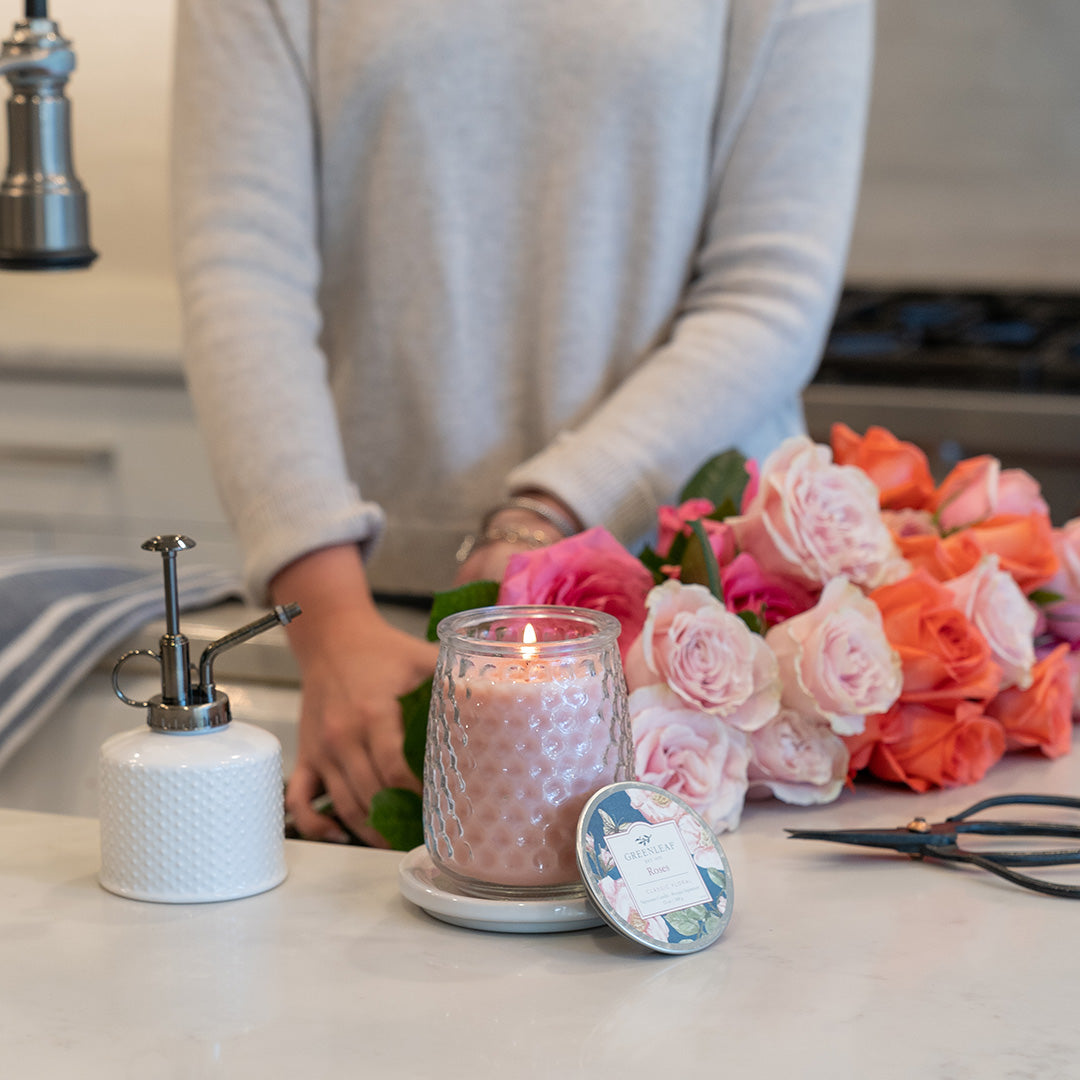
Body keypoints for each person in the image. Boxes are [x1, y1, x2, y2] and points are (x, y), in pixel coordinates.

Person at [171, 0, 874, 844]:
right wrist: (330, 629)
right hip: (377, 634)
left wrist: (546, 518)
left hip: (695, 639)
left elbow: (769, 295)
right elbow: (242, 274)